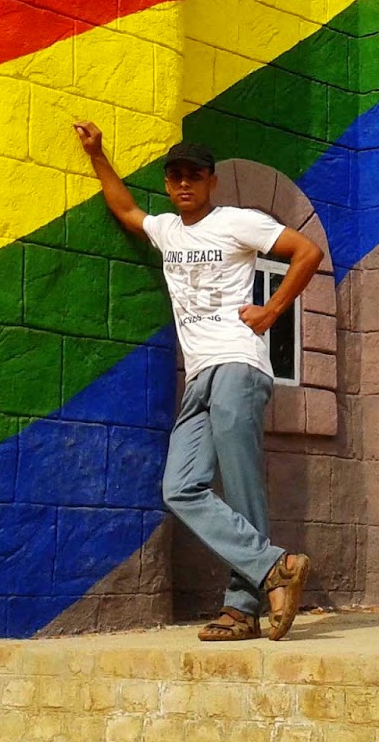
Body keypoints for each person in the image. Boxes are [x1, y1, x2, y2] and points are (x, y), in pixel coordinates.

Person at [74, 123, 324, 641]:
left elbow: (307, 251)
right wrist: (98, 153)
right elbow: (125, 210)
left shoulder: (238, 222)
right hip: (199, 376)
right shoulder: (169, 230)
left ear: (211, 182)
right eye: (175, 178)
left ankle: (241, 608)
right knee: (180, 487)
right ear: (168, 185)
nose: (183, 185)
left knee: (241, 486)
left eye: (193, 176)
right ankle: (275, 567)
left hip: (238, 363)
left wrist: (274, 310)